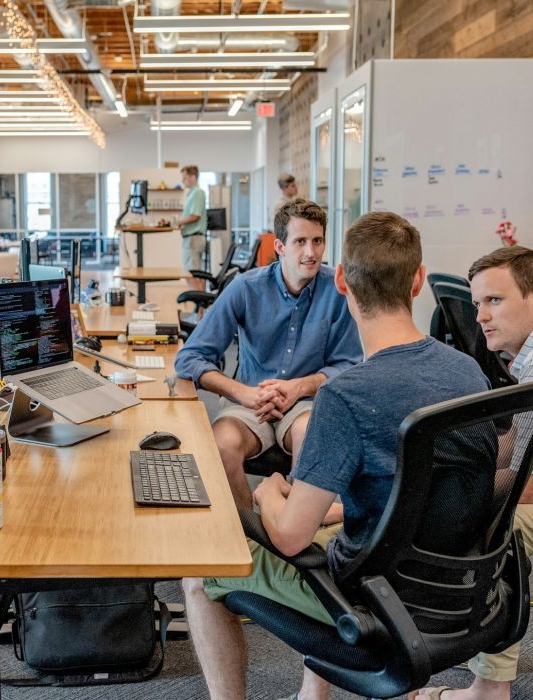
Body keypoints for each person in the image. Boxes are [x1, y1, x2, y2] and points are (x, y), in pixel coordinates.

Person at [183, 211, 495, 700]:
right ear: (417, 282)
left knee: (199, 575)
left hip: (373, 601)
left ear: (344, 282)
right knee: (330, 523)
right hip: (460, 591)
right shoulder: (469, 372)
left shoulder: (346, 397)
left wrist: (270, 491)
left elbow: (288, 538)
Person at [175, 198, 362, 508]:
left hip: (306, 402)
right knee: (221, 446)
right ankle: (251, 535)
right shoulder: (245, 288)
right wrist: (242, 392)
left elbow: (349, 365)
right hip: (250, 401)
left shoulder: (338, 291)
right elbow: (189, 357)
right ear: (280, 246)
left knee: (312, 440)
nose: (311, 252)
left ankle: (293, 535)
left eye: (317, 241)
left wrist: (298, 387)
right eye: (300, 241)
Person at [417, 245, 533, 700]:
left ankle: (489, 688)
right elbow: (512, 447)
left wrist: (448, 493)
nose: (480, 315)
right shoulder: (523, 365)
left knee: (506, 530)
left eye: (495, 301)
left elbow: (523, 484)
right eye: (478, 302)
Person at [178, 165, 207, 291]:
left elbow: (195, 216)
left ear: (192, 177)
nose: (182, 181)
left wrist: (179, 221)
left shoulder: (197, 193)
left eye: (184, 178)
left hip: (194, 239)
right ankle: (200, 308)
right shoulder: (191, 194)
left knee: (193, 275)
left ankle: (201, 309)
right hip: (190, 238)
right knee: (192, 274)